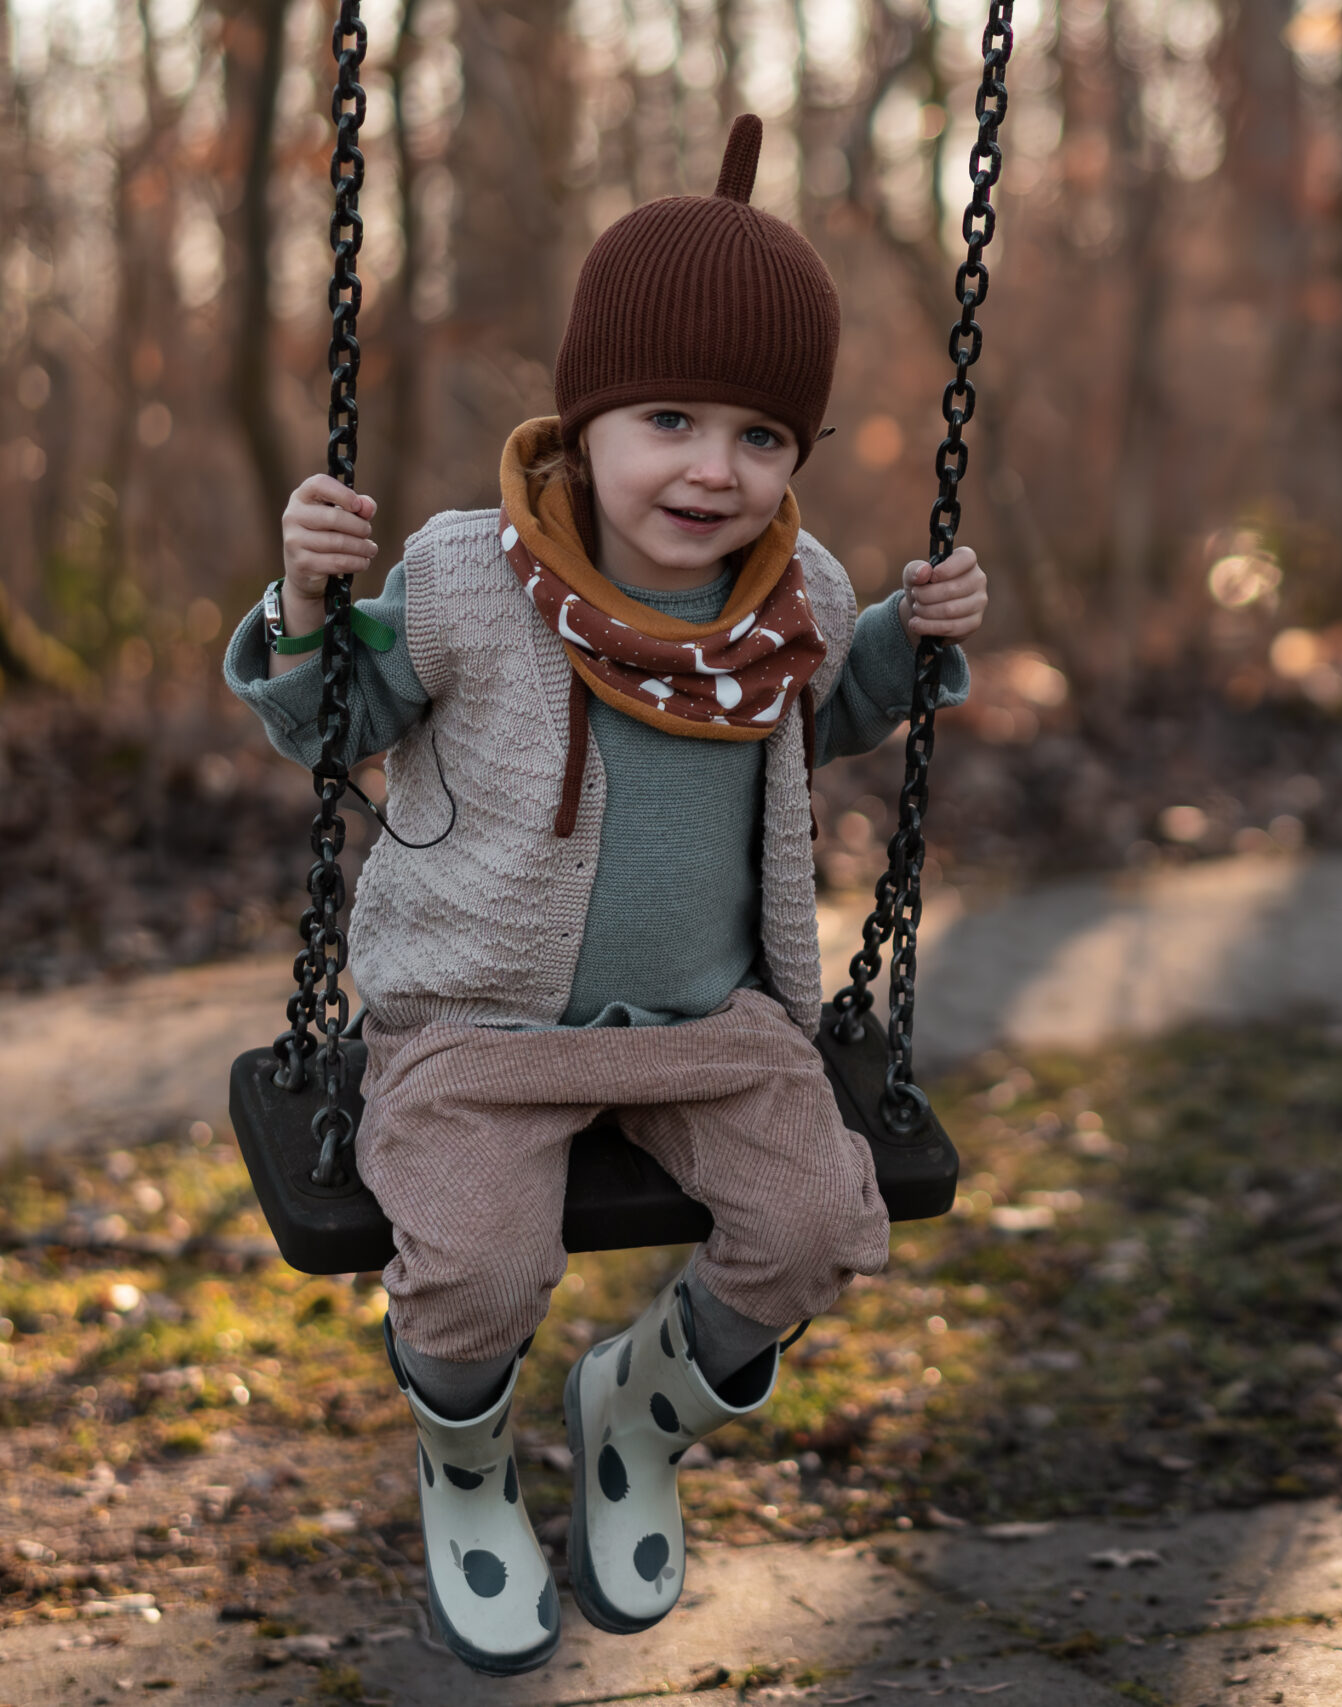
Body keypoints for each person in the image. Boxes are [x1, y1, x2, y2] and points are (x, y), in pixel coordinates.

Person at [225, 114, 986, 1676]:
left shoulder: (803, 597)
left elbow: (818, 723)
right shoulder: (457, 578)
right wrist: (306, 606)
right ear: (584, 425)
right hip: (480, 1030)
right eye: (669, 418)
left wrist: (905, 644)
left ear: (799, 456)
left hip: (712, 1022)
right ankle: (467, 1465)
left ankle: (640, 1408)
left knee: (815, 1227)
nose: (714, 468)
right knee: (477, 1274)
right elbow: (331, 728)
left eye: (763, 437)